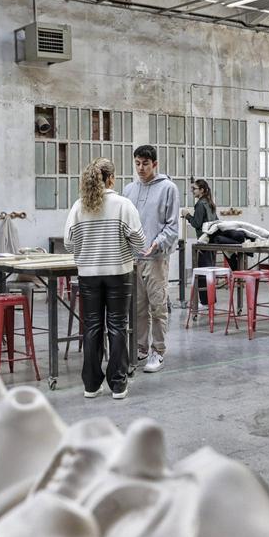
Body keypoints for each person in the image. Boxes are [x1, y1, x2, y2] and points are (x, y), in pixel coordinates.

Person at [64, 158, 145, 400]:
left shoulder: (79, 206)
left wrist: (87, 248)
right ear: (111, 178)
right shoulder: (123, 205)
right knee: (117, 326)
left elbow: (69, 243)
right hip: (119, 274)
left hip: (88, 275)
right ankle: (118, 385)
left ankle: (91, 385)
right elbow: (140, 242)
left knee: (92, 327)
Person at [123, 145, 180, 374]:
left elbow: (172, 225)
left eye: (145, 164)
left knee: (157, 305)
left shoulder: (168, 188)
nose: (140, 168)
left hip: (156, 259)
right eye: (137, 163)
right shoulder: (128, 190)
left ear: (155, 164)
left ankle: (158, 350)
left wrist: (157, 243)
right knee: (137, 308)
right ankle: (141, 347)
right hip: (132, 259)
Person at [186, 178, 218, 308]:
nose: (192, 191)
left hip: (204, 242)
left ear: (202, 190)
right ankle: (211, 300)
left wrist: (187, 215)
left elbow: (196, 223)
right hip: (212, 242)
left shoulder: (200, 204)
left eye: (194, 189)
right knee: (210, 272)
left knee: (203, 272)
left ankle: (204, 302)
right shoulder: (210, 203)